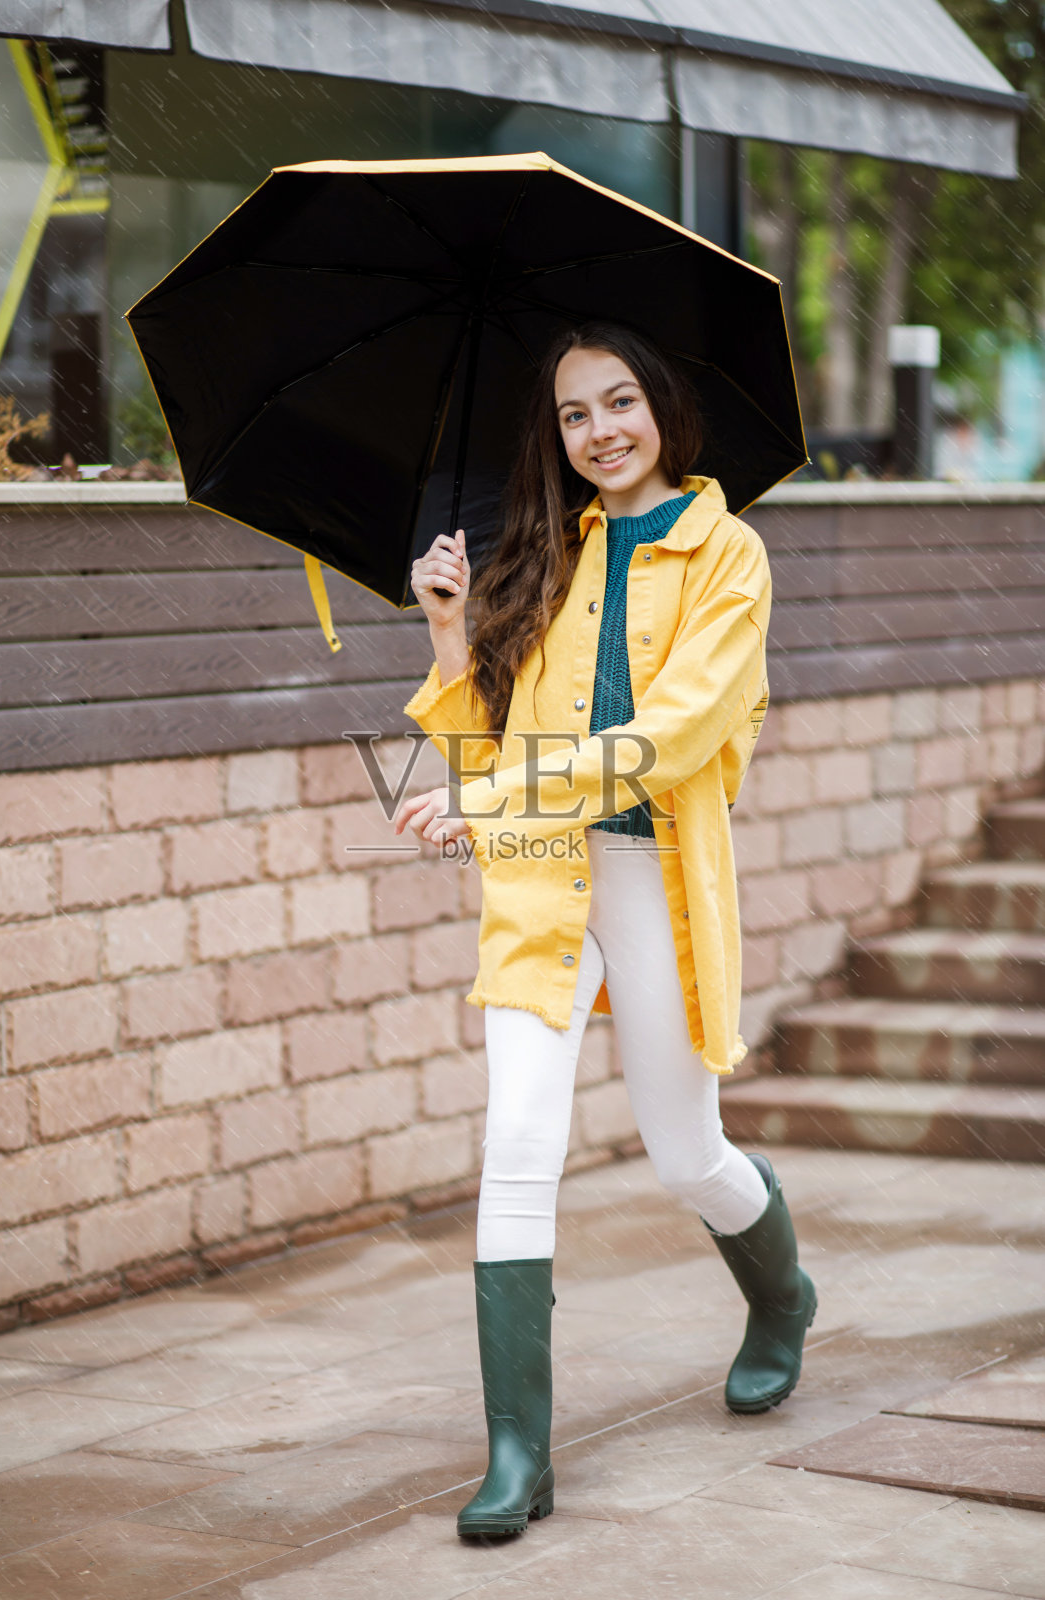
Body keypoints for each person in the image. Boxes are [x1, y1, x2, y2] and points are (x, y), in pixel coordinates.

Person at [392, 322, 816, 1541]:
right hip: (538, 874)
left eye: (617, 402)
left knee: (685, 1155)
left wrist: (492, 795)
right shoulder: (544, 555)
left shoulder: (728, 556)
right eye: (574, 414)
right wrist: (446, 629)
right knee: (517, 1142)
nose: (598, 432)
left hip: (653, 875)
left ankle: (779, 1299)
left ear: (663, 409)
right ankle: (518, 1455)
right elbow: (489, 751)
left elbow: (675, 735)